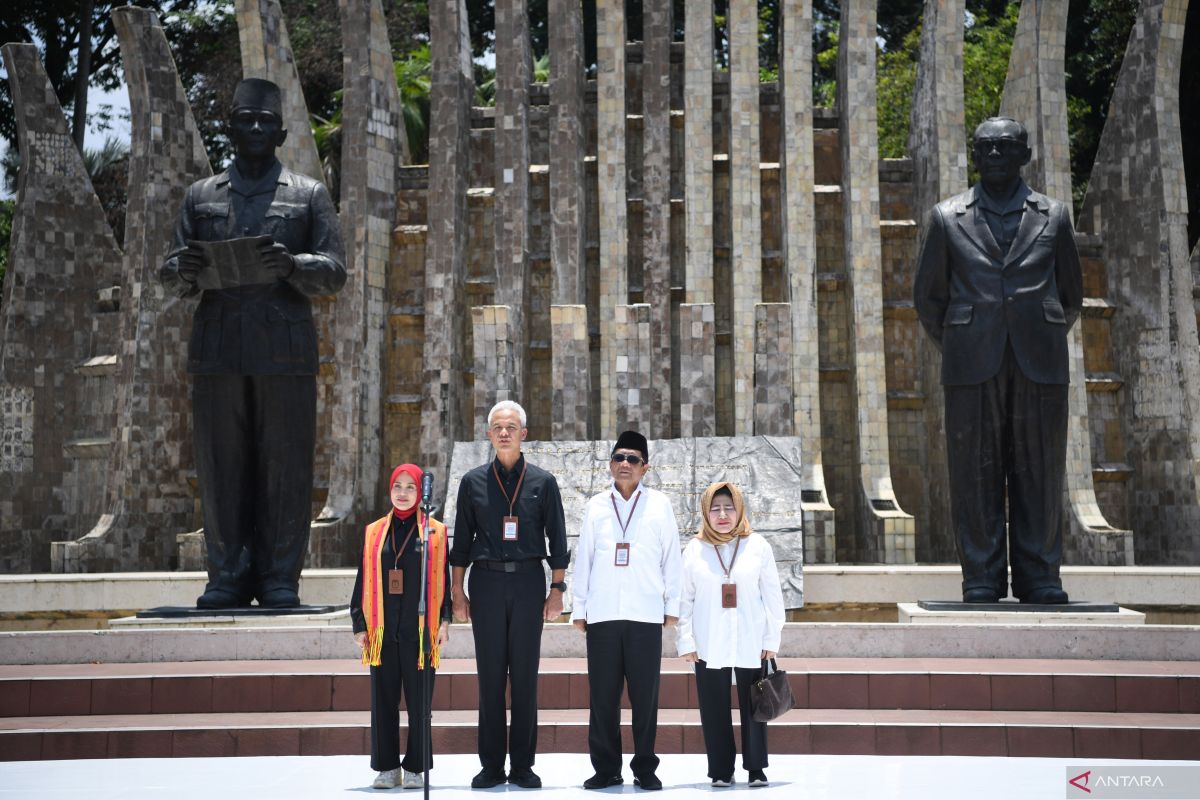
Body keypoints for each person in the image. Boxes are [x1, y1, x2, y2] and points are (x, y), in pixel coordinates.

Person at [160, 78, 346, 609]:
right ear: (231, 127)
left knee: (285, 467)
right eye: (247, 119)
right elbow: (171, 275)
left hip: (284, 353)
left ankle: (278, 578)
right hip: (218, 350)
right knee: (221, 467)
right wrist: (183, 268)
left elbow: (334, 271)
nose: (258, 128)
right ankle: (227, 576)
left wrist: (293, 265)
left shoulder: (307, 194)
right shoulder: (201, 196)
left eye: (267, 121)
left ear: (282, 132)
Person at [913, 116, 1083, 604]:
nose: (993, 155)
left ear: (1024, 154)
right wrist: (964, 338)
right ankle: (981, 577)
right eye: (984, 148)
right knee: (975, 470)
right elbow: (928, 299)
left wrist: (1036, 329)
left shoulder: (1054, 215)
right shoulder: (947, 216)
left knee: (1040, 468)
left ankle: (1039, 576)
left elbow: (1072, 294)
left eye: (1004, 147)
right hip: (971, 362)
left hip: (1040, 361)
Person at [449, 400, 569, 789]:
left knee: (524, 677)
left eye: (511, 427)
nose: (504, 433)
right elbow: (461, 542)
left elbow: (559, 539)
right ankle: (490, 765)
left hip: (528, 583)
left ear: (524, 434)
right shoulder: (472, 483)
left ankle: (522, 765)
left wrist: (557, 591)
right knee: (489, 678)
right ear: (489, 434)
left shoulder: (542, 482)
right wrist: (457, 592)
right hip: (484, 584)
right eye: (497, 427)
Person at [571, 430, 682, 792]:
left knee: (645, 697)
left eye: (633, 459)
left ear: (645, 467)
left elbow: (672, 559)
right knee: (602, 696)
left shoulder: (660, 505)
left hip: (645, 613)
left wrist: (672, 606)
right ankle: (606, 769)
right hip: (603, 613)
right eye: (619, 457)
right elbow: (584, 558)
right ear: (609, 464)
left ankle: (645, 767)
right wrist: (579, 608)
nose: (625, 464)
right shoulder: (595, 506)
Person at [350, 463, 451, 790]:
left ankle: (416, 768)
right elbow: (362, 577)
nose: (404, 493)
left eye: (411, 486)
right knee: (383, 702)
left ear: (420, 491)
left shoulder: (435, 531)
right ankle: (387, 767)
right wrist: (358, 622)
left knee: (421, 704)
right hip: (382, 629)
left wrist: (445, 621)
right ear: (390, 490)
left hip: (421, 631)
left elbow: (444, 582)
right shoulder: (374, 531)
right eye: (398, 486)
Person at [677, 482, 785, 788]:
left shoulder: (758, 546)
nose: (722, 514)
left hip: (751, 638)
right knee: (713, 708)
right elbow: (684, 600)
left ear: (739, 510)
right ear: (705, 513)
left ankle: (756, 768)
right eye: (715, 508)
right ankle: (721, 769)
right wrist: (686, 640)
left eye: (729, 507)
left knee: (755, 704)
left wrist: (771, 639)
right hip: (707, 641)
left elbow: (773, 597)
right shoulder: (695, 549)